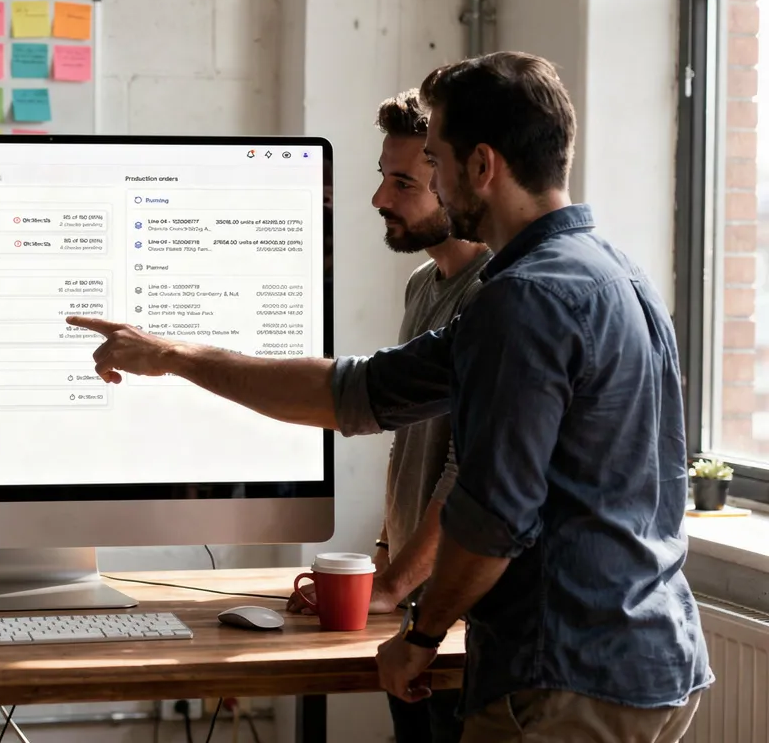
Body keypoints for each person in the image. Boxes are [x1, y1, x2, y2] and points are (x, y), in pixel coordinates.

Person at [68, 51, 711, 741]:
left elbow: (492, 512)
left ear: (483, 166)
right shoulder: (617, 276)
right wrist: (171, 355)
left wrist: (422, 632)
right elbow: (353, 392)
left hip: (567, 678)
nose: (405, 186)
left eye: (434, 159)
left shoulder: (523, 301)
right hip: (654, 656)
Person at [287, 88, 489, 743]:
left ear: (456, 181)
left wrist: (394, 585)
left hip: (458, 616)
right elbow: (415, 445)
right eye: (383, 175)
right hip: (412, 600)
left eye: (403, 180)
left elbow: (467, 471)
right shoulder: (422, 285)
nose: (380, 198)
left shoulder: (493, 296)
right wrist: (380, 560)